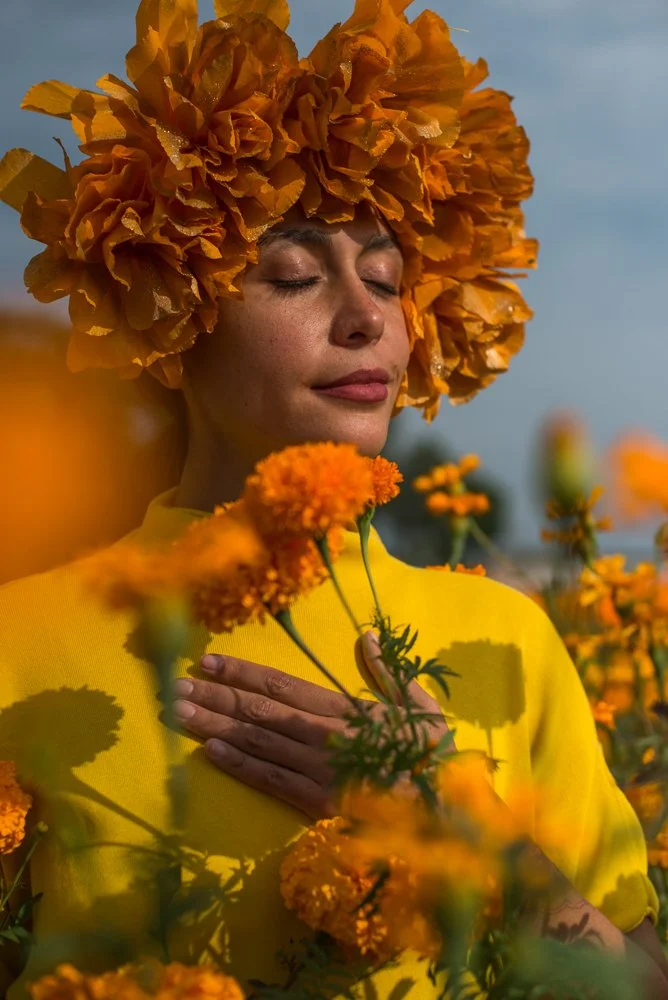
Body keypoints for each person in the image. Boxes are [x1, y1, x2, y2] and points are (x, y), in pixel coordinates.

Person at [0, 0, 667, 997]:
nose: (364, 316)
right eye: (295, 274)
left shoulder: (511, 638)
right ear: (167, 309)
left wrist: (479, 842)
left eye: (389, 277)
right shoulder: (19, 640)